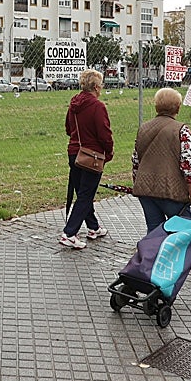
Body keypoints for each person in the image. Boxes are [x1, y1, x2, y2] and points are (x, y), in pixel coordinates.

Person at [131, 87, 191, 232]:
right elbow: (188, 164)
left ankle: (153, 254)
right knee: (182, 233)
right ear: (178, 107)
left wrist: (137, 183)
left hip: (146, 191)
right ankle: (175, 255)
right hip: (172, 191)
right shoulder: (181, 130)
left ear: (156, 106)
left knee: (154, 231)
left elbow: (136, 160)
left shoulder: (144, 128)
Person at [60, 68, 113, 249]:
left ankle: (93, 227)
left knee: (82, 192)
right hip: (92, 156)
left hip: (74, 152)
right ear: (96, 87)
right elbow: (104, 133)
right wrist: (109, 152)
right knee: (86, 194)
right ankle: (69, 233)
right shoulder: (98, 107)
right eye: (101, 85)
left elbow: (68, 128)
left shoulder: (73, 104)